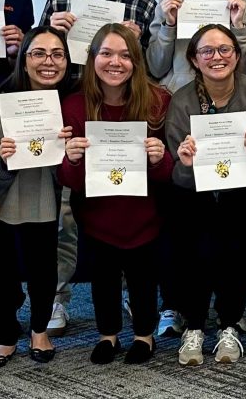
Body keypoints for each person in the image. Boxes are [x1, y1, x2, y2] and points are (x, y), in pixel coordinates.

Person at [37, 0, 158, 338]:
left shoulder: (144, 2)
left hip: (122, 113)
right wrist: (52, 31)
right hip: (70, 109)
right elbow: (40, 52)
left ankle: (128, 293)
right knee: (67, 216)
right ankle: (58, 299)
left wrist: (140, 39)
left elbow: (153, 67)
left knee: (119, 204)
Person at [58, 23, 172, 365]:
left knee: (143, 279)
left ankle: (144, 335)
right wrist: (72, 158)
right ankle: (107, 335)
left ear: (136, 61)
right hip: (96, 215)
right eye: (106, 53)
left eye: (125, 55)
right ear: (92, 58)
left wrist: (159, 157)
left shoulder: (157, 101)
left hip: (145, 214)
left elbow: (170, 173)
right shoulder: (75, 106)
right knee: (102, 279)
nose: (115, 62)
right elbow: (69, 180)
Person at [165, 24, 246, 366]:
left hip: (243, 191)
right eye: (207, 51)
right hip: (194, 193)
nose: (217, 57)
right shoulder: (181, 101)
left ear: (238, 56)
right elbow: (176, 175)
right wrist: (184, 162)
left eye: (225, 49)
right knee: (196, 255)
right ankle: (194, 326)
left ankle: (229, 325)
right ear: (194, 60)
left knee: (237, 255)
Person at [0, 27, 74, 370]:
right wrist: (2, 154)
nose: (49, 61)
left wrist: (68, 149)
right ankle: (5, 336)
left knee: (43, 265)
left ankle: (39, 330)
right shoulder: (0, 100)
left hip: (46, 193)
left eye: (57, 54)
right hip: (4, 194)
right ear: (24, 60)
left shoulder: (72, 103)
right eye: (39, 53)